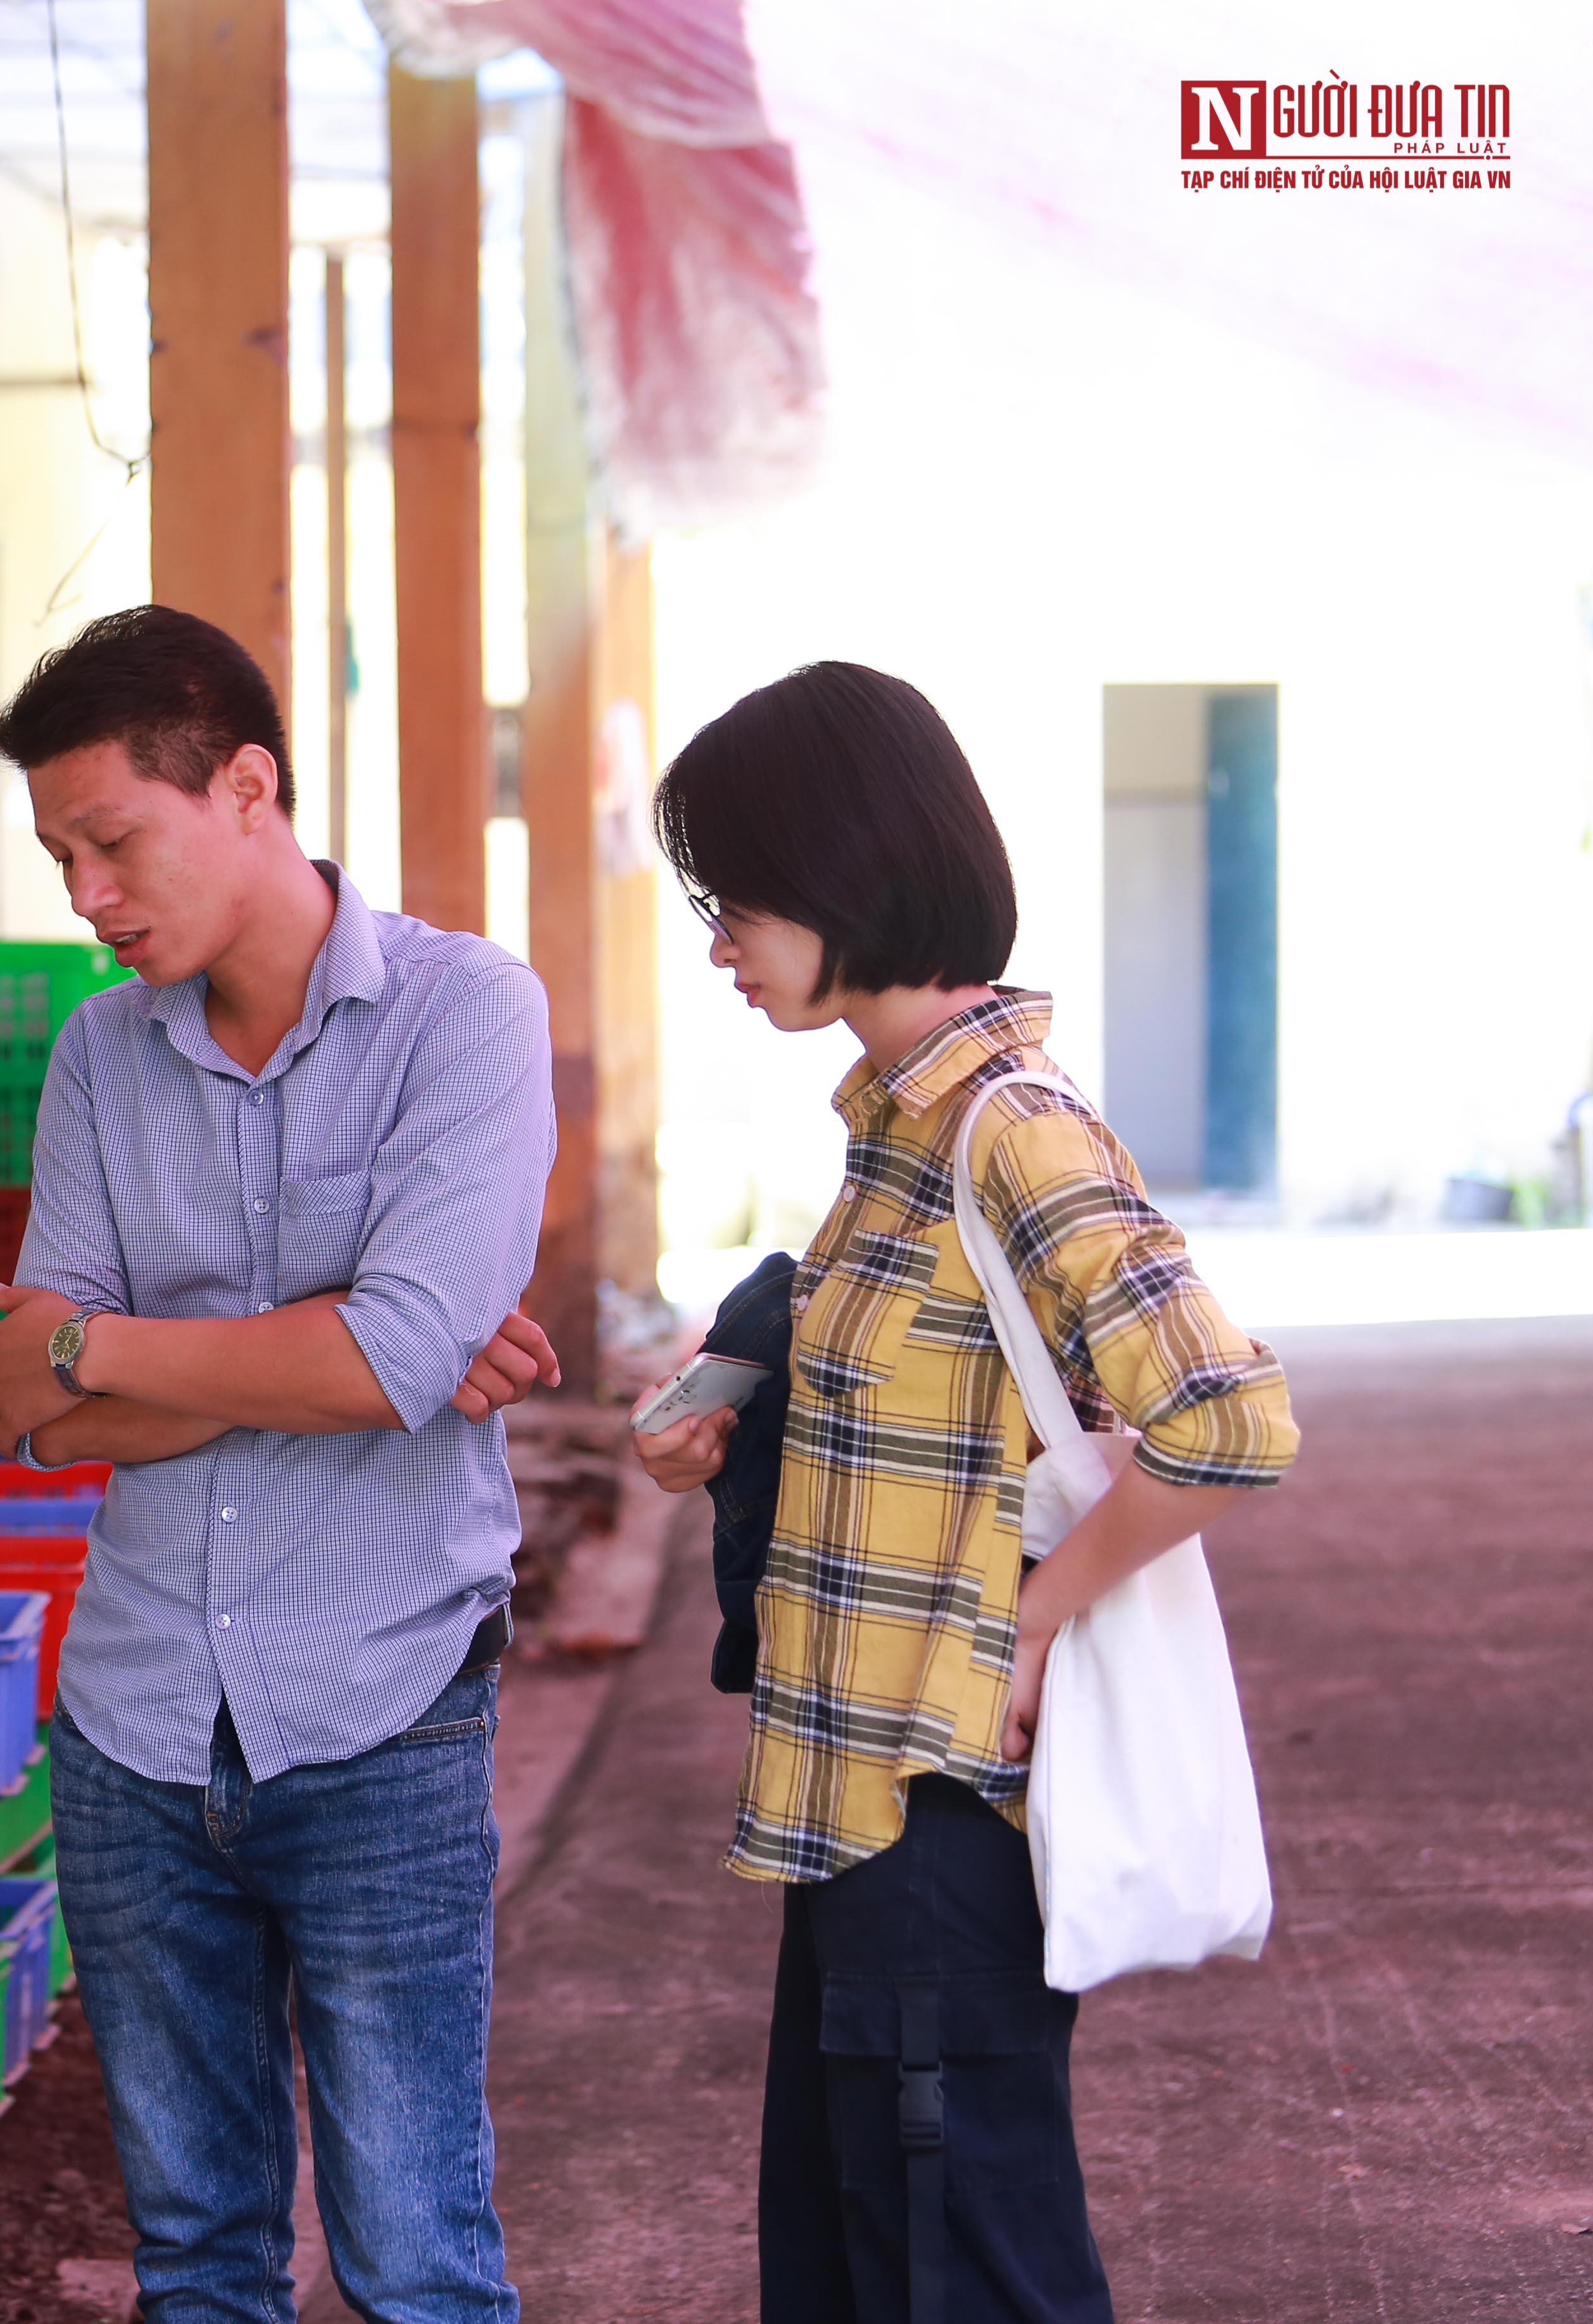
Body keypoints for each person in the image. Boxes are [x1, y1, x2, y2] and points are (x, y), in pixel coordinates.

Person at [628, 661, 1299, 2323]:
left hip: (941, 1808)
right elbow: (926, 1380)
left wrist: (1031, 1626)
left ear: (849, 870)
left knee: (965, 2277)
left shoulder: (1014, 1130)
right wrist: (736, 1388)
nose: (721, 939)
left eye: (740, 894)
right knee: (862, 2269)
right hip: (856, 1796)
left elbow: (1226, 1414)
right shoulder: (901, 1133)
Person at [0, 604, 562, 2323]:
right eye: (60, 855)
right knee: (200, 2266)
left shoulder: (468, 1016)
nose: (86, 894)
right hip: (134, 1720)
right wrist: (342, 1342)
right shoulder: (101, 1056)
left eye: (111, 841)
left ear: (246, 788)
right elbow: (34, 1415)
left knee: (414, 2263)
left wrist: (114, 1342)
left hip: (381, 1710)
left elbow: (374, 1362)